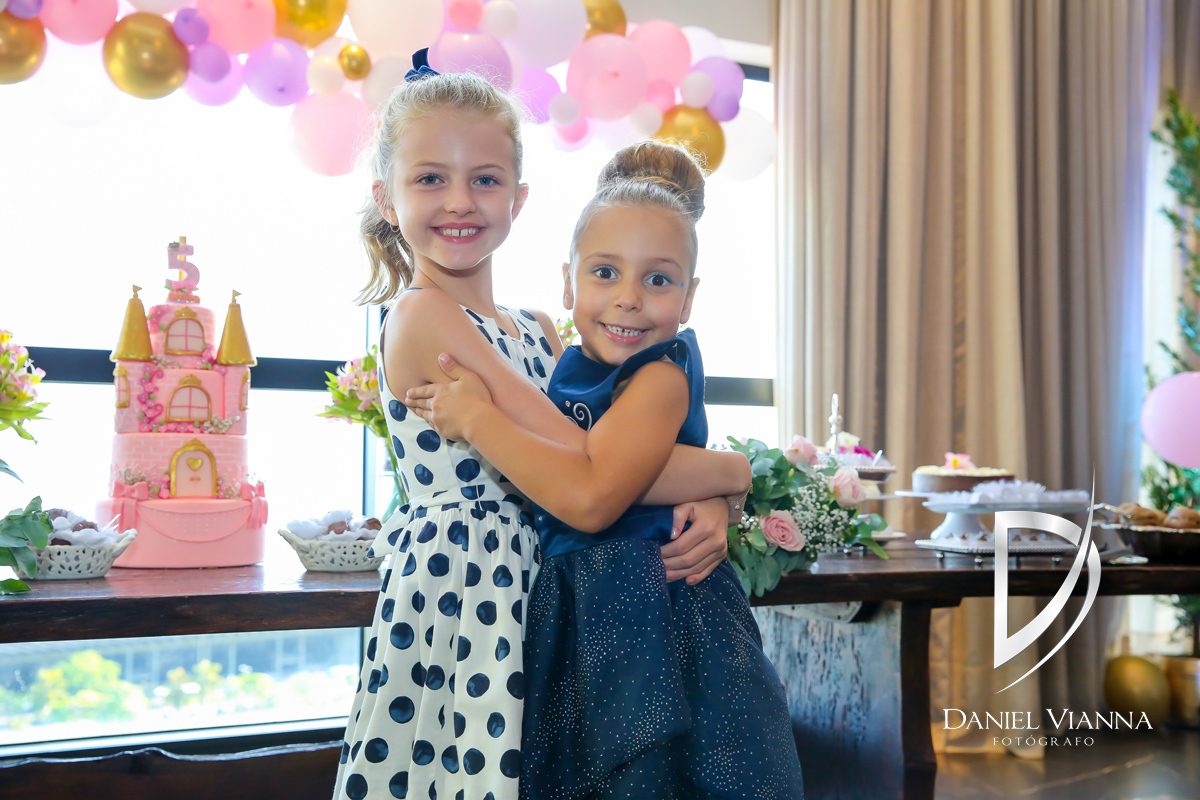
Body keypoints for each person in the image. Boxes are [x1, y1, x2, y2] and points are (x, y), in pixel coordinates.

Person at [335, 59, 751, 800]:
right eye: (430, 179)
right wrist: (732, 473)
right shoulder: (421, 314)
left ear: (519, 198)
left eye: (485, 179)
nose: (459, 201)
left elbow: (614, 460)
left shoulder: (537, 328)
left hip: (542, 578)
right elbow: (586, 461)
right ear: (386, 199)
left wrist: (715, 495)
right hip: (465, 592)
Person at [404, 141, 805, 799]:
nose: (627, 300)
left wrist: (476, 418)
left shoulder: (659, 376)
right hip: (586, 602)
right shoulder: (569, 363)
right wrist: (727, 477)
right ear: (568, 282)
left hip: (657, 609)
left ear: (689, 297)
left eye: (658, 280)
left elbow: (592, 493)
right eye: (605, 273)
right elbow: (601, 462)